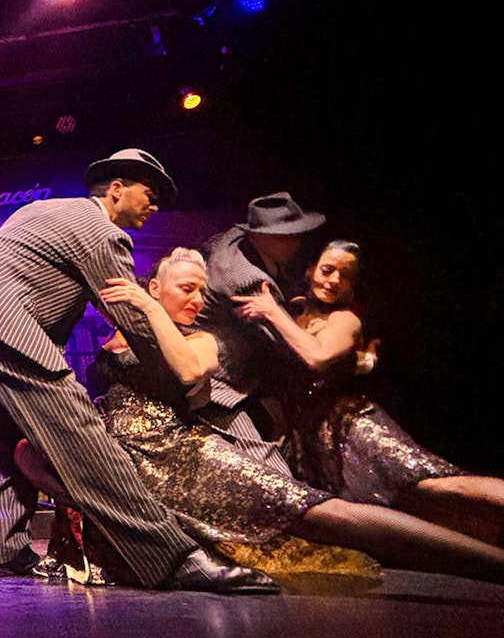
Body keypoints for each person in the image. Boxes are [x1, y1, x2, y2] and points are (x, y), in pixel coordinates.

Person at [0, 147, 278, 593]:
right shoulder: (103, 233)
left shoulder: (45, 209)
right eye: (149, 195)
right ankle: (172, 558)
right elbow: (133, 322)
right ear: (117, 190)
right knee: (80, 433)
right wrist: (182, 387)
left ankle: (4, 550)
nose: (154, 206)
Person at [71, 247, 504, 586]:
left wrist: (149, 308)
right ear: (153, 286)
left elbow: (187, 369)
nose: (197, 300)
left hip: (191, 458)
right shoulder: (123, 335)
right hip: (139, 463)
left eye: (202, 291)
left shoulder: (204, 338)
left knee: (332, 515)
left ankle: (493, 565)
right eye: (186, 288)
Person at [232, 240, 504, 546]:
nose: (334, 280)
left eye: (345, 276)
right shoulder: (295, 312)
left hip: (353, 427)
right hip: (312, 438)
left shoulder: (344, 319)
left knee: (437, 485)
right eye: (327, 270)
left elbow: (317, 356)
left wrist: (272, 312)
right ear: (310, 270)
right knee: (408, 504)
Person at [193, 192, 327, 477]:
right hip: (219, 382)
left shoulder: (234, 238)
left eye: (297, 234)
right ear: (258, 235)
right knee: (271, 472)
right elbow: (291, 349)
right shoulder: (247, 281)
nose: (296, 242)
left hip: (243, 366)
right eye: (285, 237)